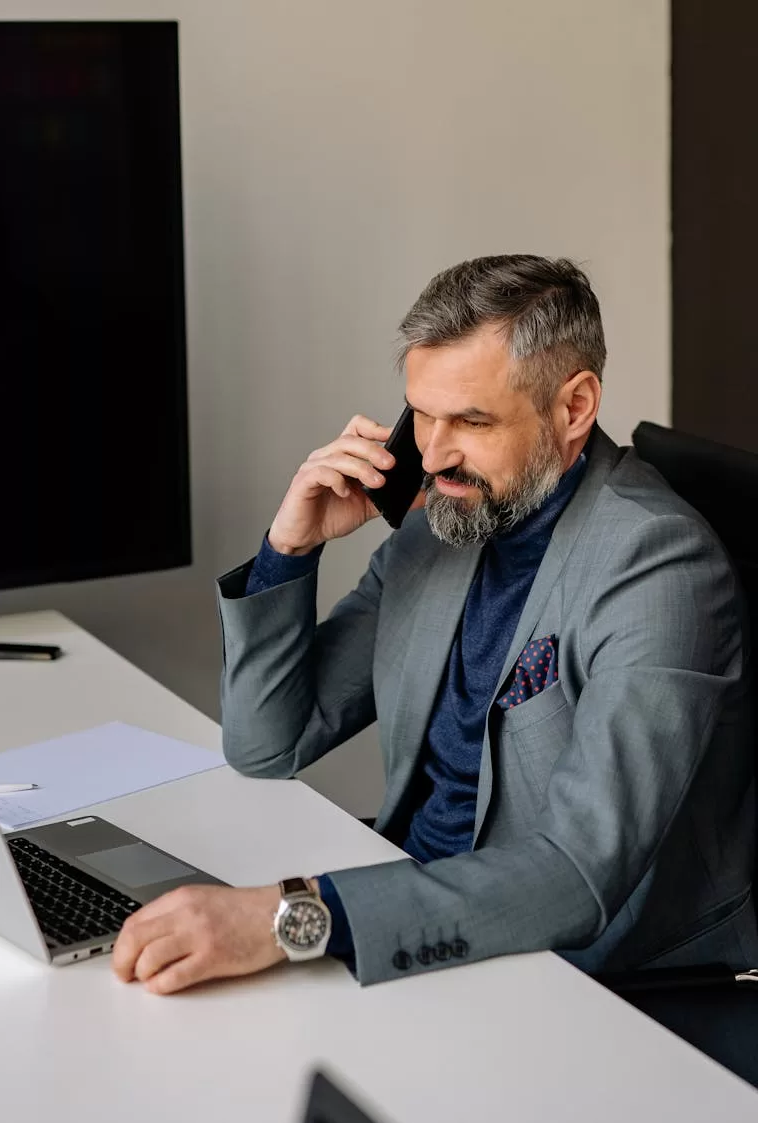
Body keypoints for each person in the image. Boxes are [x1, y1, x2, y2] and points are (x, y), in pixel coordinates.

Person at [112, 254, 758, 995]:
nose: (434, 451)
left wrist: (290, 918)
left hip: (585, 972)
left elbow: (577, 874)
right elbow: (267, 743)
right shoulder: (446, 520)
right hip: (416, 911)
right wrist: (290, 550)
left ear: (574, 408)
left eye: (472, 420)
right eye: (422, 412)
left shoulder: (659, 566)